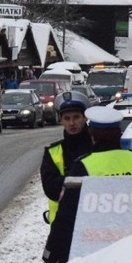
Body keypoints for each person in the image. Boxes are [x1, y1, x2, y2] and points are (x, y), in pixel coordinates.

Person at [42, 106, 132, 263]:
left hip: (93, 247)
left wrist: (51, 253)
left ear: (92, 135)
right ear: (119, 133)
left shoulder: (84, 164)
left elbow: (67, 215)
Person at [40, 91, 93, 226]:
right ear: (61, 120)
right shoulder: (52, 152)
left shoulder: (97, 146)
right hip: (62, 225)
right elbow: (51, 188)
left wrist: (67, 183)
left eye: (76, 117)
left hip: (93, 222)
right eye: (67, 118)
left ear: (85, 118)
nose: (72, 123)